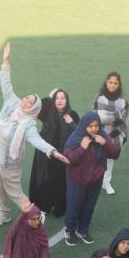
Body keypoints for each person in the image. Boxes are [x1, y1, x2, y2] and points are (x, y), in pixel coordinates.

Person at [0, 42, 69, 226]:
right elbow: (6, 84)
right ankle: (3, 213)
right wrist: (5, 60)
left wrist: (53, 152)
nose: (25, 101)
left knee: (14, 191)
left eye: (30, 101)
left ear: (33, 109)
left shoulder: (29, 123)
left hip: (10, 162)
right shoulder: (13, 103)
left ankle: (35, 214)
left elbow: (37, 141)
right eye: (27, 97)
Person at [62, 110, 121, 245]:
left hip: (95, 180)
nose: (94, 129)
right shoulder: (76, 137)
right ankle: (70, 230)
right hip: (77, 180)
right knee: (74, 205)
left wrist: (105, 143)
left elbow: (114, 154)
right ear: (84, 126)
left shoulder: (102, 136)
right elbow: (68, 159)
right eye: (90, 126)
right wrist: (82, 148)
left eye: (96, 126)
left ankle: (83, 230)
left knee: (89, 206)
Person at [29, 89, 78, 218]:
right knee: (45, 179)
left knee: (61, 182)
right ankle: (44, 205)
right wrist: (50, 97)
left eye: (63, 98)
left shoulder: (73, 114)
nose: (60, 100)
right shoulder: (47, 113)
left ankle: (59, 207)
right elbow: (39, 104)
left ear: (67, 100)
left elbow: (79, 133)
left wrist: (71, 123)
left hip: (64, 156)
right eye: (57, 98)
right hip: (46, 155)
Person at [93, 72, 129, 195]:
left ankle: (106, 182)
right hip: (98, 132)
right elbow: (95, 117)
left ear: (119, 85)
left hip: (115, 135)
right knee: (96, 157)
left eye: (115, 83)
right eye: (110, 82)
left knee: (109, 160)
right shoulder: (99, 98)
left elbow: (122, 122)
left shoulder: (123, 101)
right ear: (106, 82)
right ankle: (95, 179)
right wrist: (113, 118)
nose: (112, 85)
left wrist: (109, 135)